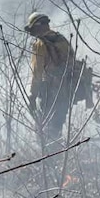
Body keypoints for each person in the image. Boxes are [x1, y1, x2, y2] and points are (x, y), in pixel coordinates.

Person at [25, 12, 76, 141]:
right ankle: (60, 157)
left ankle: (47, 158)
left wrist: (33, 95)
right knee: (57, 128)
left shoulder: (40, 44)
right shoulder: (62, 39)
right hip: (66, 91)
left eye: (33, 29)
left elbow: (37, 72)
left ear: (38, 26)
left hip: (49, 93)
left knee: (45, 131)